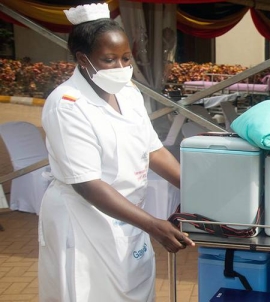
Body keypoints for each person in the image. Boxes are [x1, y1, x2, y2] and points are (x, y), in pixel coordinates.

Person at [38, 3, 194, 301]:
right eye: (109, 60)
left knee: (133, 288)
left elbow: (154, 151)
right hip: (85, 220)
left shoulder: (130, 93)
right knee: (89, 292)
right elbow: (87, 183)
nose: (121, 68)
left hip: (128, 216)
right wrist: (152, 225)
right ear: (84, 60)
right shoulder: (67, 104)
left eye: (126, 58)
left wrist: (197, 189)